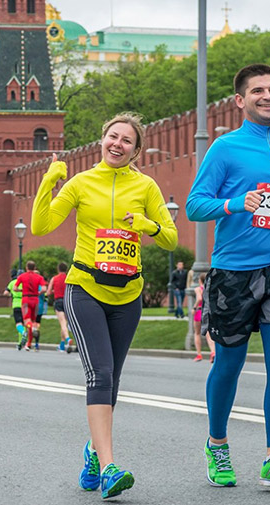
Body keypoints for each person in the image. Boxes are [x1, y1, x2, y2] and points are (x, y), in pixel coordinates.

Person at [186, 64, 270, 490]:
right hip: (233, 272)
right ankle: (217, 443)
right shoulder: (224, 149)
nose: (268, 95)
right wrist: (236, 203)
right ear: (240, 100)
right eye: (258, 90)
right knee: (229, 364)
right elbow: (195, 205)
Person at [32, 111, 177, 498]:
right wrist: (49, 182)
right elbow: (41, 226)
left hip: (128, 295)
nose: (117, 144)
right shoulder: (81, 183)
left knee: (111, 381)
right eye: (113, 136)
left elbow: (170, 237)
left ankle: (93, 453)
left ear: (136, 150)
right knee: (99, 374)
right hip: (85, 288)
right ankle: (110, 466)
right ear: (102, 139)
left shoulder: (146, 187)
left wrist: (146, 225)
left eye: (126, 140)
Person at [16, 261, 46, 351]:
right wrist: (39, 292)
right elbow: (44, 289)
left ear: (26, 267)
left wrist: (21, 290)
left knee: (27, 321)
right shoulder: (39, 277)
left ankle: (31, 328)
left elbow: (15, 288)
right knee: (33, 320)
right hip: (35, 300)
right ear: (35, 267)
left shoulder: (22, 276)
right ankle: (28, 344)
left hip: (26, 299)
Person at [192, 272, 215, 363]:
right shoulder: (210, 288)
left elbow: (199, 299)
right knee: (209, 333)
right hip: (208, 311)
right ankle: (213, 352)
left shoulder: (198, 289)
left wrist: (194, 307)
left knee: (197, 333)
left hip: (199, 310)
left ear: (200, 280)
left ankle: (199, 354)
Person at [48, 262, 71, 352]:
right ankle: (62, 345)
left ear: (58, 269)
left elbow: (49, 292)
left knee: (62, 323)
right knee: (65, 323)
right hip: (67, 301)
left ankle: (68, 339)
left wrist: (54, 291)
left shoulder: (54, 278)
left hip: (58, 301)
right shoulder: (68, 278)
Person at [4, 271, 26, 349]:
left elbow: (5, 293)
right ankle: (21, 343)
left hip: (16, 303)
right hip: (25, 303)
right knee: (24, 323)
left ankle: (23, 333)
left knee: (18, 323)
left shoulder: (13, 282)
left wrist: (12, 294)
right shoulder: (25, 282)